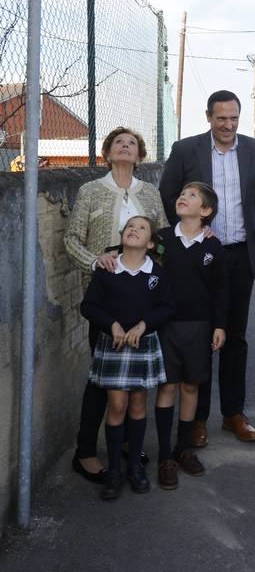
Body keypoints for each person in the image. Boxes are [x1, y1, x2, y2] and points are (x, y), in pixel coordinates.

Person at [159, 89, 255, 445]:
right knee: (200, 337)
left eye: (233, 118)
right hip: (197, 258)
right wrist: (192, 230)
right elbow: (169, 193)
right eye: (221, 118)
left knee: (234, 336)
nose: (228, 124)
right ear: (208, 116)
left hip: (238, 254)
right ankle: (198, 418)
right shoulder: (185, 149)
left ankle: (233, 414)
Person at [64, 127, 168, 483]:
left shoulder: (151, 193)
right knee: (101, 379)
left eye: (132, 144)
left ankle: (126, 445)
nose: (126, 147)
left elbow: (164, 238)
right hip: (106, 300)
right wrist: (95, 261)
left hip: (143, 296)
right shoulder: (90, 190)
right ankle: (86, 453)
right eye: (119, 143)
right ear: (108, 153)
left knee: (135, 382)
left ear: (140, 156)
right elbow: (72, 237)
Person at [80, 216, 174, 500]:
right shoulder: (107, 269)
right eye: (129, 227)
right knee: (117, 404)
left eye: (141, 228)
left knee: (136, 403)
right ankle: (114, 471)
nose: (134, 230)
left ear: (151, 243)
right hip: (113, 346)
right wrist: (112, 325)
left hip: (143, 345)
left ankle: (134, 466)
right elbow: (88, 306)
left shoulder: (156, 274)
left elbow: (167, 308)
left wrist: (143, 325)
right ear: (122, 236)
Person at [154, 182, 228, 490]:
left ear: (206, 211)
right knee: (167, 386)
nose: (183, 197)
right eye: (181, 194)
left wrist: (219, 325)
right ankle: (164, 456)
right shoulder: (160, 239)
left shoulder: (213, 245)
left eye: (192, 196)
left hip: (199, 327)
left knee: (190, 387)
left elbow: (221, 290)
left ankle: (183, 448)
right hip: (166, 325)